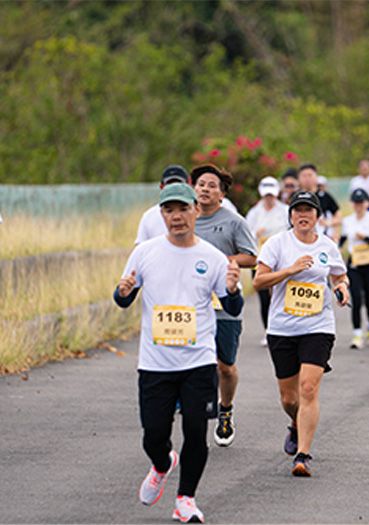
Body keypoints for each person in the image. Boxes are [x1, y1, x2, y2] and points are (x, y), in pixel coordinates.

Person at [114, 183, 244, 523]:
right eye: (169, 210)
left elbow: (232, 303)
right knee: (153, 435)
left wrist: (231, 289)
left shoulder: (213, 258)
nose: (177, 217)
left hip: (198, 362)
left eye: (183, 209)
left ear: (195, 211)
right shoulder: (146, 252)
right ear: (162, 215)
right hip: (155, 363)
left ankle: (186, 499)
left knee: (196, 431)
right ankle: (161, 464)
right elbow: (125, 296)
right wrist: (122, 291)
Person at [253, 190, 350, 477]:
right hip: (282, 327)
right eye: (298, 210)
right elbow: (259, 281)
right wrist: (290, 270)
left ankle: (303, 455)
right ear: (290, 215)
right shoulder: (277, 244)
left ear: (318, 216)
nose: (303, 216)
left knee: (308, 388)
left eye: (309, 211)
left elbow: (339, 275)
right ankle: (295, 424)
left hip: (317, 326)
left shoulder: (328, 246)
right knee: (289, 399)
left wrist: (342, 288)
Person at [191, 164, 258, 448]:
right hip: (193, 303)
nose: (205, 189)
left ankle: (225, 410)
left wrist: (222, 261)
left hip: (225, 301)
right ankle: (194, 407)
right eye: (201, 184)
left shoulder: (234, 222)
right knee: (192, 360)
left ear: (222, 194)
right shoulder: (186, 219)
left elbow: (252, 257)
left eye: (211, 185)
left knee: (225, 366)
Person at [246, 176, 290, 344]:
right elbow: (246, 236)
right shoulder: (254, 213)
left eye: (272, 195)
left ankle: (284, 328)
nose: (269, 198)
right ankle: (268, 330)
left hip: (281, 258)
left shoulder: (285, 211)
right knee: (264, 297)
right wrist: (256, 234)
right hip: (261, 259)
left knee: (281, 294)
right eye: (266, 195)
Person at [341, 188, 369, 349]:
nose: (359, 206)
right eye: (356, 203)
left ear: (367, 203)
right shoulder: (348, 221)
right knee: (356, 299)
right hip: (354, 264)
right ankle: (357, 334)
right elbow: (342, 240)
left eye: (361, 202)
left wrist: (366, 239)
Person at [134, 165, 191, 244]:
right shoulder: (149, 216)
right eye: (169, 184)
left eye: (178, 184)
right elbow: (141, 249)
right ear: (161, 186)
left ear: (188, 186)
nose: (174, 188)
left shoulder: (194, 213)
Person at [298, 163, 341, 241]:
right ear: (299, 178)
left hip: (323, 238)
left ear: (316, 177)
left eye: (310, 175)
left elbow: (338, 217)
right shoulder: (296, 197)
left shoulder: (325, 196)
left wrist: (329, 223)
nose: (307, 178)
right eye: (304, 176)